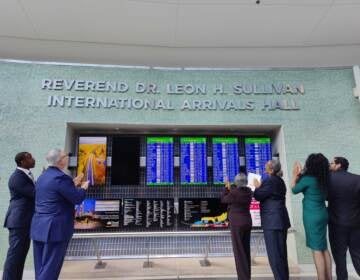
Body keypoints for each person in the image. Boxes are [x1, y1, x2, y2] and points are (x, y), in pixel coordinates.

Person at [30, 149, 89, 280]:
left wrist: (72, 183)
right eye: (65, 156)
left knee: (41, 266)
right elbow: (76, 198)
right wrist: (83, 188)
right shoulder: (61, 178)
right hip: (55, 229)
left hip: (39, 227)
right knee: (51, 267)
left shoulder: (42, 177)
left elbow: (54, 193)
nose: (67, 158)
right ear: (60, 161)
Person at [291, 153, 332, 280]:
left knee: (316, 249)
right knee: (323, 247)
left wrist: (294, 175)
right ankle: (328, 277)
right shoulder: (325, 179)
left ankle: (321, 277)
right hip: (323, 214)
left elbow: (294, 189)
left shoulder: (308, 179)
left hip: (311, 216)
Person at [253, 160, 290, 280]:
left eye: (267, 165)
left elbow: (258, 196)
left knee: (275, 256)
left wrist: (257, 187)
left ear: (272, 170)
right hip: (280, 220)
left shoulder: (270, 181)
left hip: (272, 222)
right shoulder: (280, 180)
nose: (265, 165)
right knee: (281, 255)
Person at [3, 152, 36, 280]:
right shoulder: (17, 177)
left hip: (25, 221)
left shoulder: (26, 175)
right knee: (15, 255)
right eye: (29, 158)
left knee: (21, 255)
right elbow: (33, 193)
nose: (33, 160)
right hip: (18, 221)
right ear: (22, 161)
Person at [328, 157, 360, 279]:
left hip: (336, 224)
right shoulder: (357, 179)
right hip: (356, 224)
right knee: (357, 256)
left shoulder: (329, 179)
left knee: (340, 259)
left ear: (338, 165)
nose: (330, 166)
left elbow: (324, 196)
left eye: (331, 163)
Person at [221, 173, 252, 280]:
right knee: (245, 250)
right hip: (247, 222)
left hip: (237, 224)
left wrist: (227, 188)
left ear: (236, 183)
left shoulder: (234, 193)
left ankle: (243, 277)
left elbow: (224, 199)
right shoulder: (249, 192)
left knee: (239, 252)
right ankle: (247, 276)